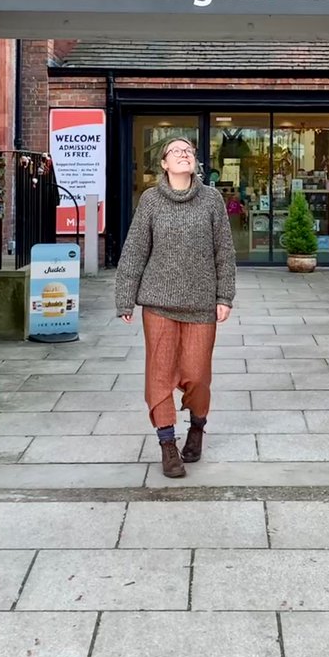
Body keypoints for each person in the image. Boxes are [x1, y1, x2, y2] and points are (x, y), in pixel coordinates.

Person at [115, 137, 236, 478]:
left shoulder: (212, 200)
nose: (183, 155)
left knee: (197, 376)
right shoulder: (151, 201)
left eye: (189, 151)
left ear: (195, 162)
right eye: (175, 152)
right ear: (164, 164)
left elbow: (224, 252)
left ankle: (197, 427)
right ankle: (168, 444)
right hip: (158, 304)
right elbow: (135, 250)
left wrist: (224, 296)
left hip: (201, 306)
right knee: (159, 375)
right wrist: (125, 297)